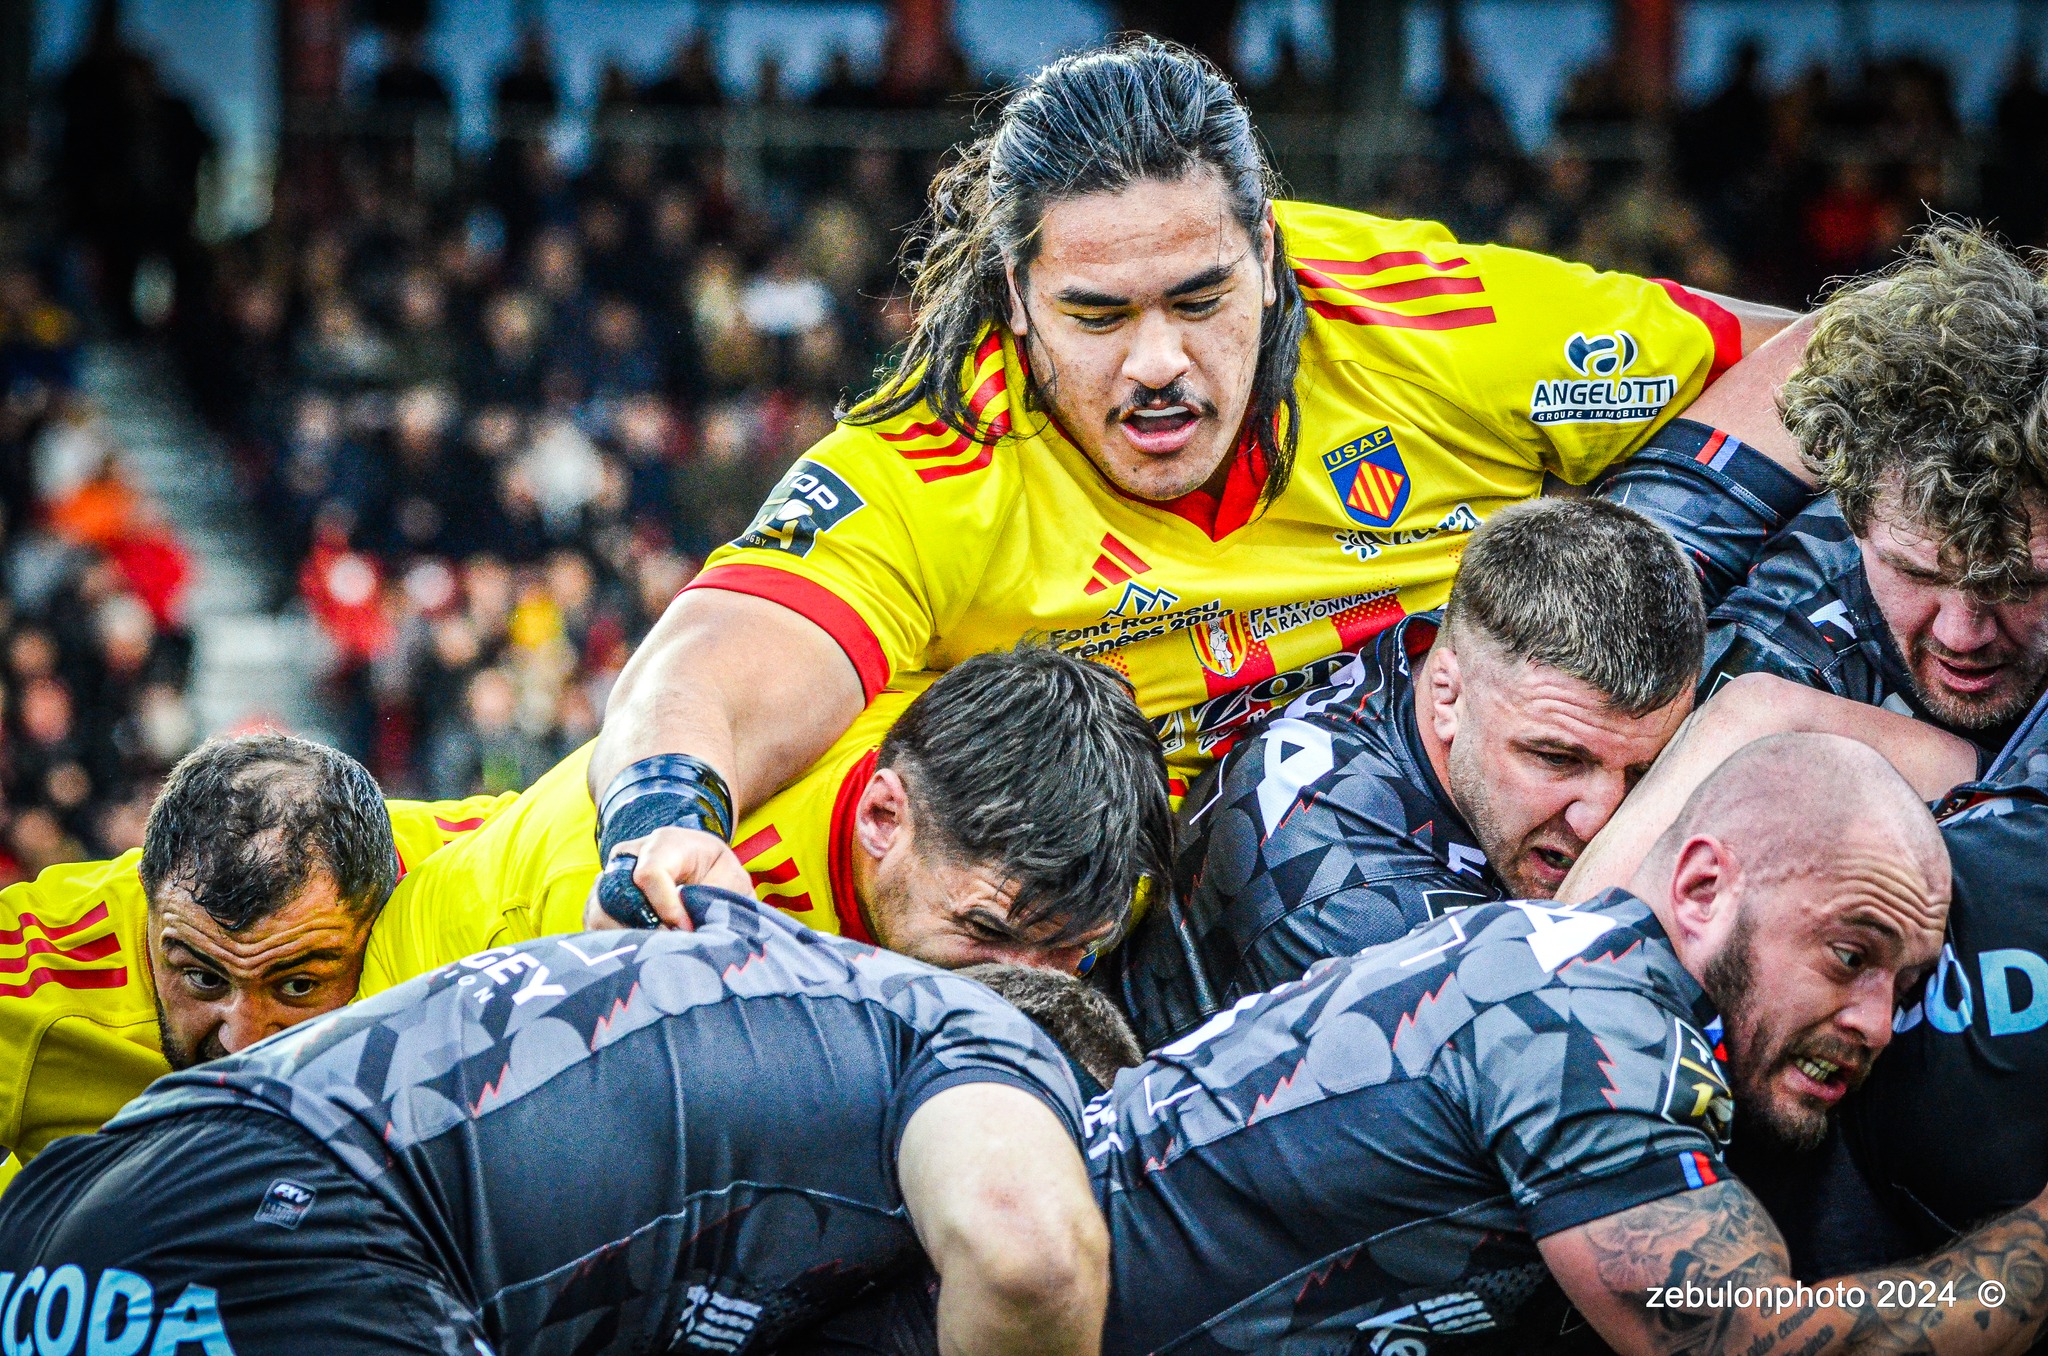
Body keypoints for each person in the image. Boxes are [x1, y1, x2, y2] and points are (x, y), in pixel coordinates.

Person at [587, 37, 1814, 924]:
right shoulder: (939, 458)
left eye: (1199, 298)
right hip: (1187, 939)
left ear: (1268, 259)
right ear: (1015, 300)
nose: (1159, 363)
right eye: (1096, 314)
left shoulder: (1428, 321)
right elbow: (719, 651)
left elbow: (1808, 361)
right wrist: (660, 817)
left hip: (1541, 837)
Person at [796, 736, 2048, 1355]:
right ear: (1705, 887)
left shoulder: (1555, 971)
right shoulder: (1589, 1028)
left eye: (1905, 983)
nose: (1878, 1022)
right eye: (1847, 954)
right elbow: (1749, 1346)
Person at [0, 891, 1107, 1356]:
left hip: (84, 1196)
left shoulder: (790, 976)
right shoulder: (977, 1034)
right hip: (291, 1215)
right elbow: (1027, 1251)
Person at [1107, 497, 1704, 1047]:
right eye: (1557, 760)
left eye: (1646, 771)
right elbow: (1575, 1052)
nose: (1601, 817)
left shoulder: (1482, 660)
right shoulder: (1344, 893)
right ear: (1447, 697)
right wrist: (1744, 713)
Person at [358, 646, 1172, 993]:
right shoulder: (683, 907)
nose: (1028, 984)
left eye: (1075, 950)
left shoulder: (1092, 864)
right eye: (986, 932)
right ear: (883, 817)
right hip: (409, 992)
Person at [0, 734, 508, 1183]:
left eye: (297, 985)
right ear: (149, 904)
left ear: (382, 908)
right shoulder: (39, 973)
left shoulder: (478, 880)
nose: (242, 1041)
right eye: (202, 978)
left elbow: (583, 785)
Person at [1698, 225, 2048, 765]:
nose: (1963, 634)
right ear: (1853, 519)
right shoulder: (1781, 653)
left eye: (2019, 584)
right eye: (1917, 573)